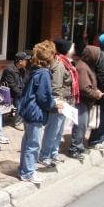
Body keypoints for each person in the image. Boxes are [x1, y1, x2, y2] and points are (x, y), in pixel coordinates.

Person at [17, 40, 62, 184]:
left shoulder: (35, 69)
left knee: (27, 141)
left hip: (27, 110)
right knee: (34, 144)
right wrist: (54, 104)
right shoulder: (44, 73)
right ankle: (28, 172)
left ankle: (23, 169)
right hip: (35, 112)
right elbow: (44, 97)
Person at [39, 39, 78, 167]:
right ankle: (45, 155)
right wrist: (58, 102)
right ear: (66, 50)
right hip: (60, 103)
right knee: (53, 131)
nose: (73, 49)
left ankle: (53, 153)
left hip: (65, 102)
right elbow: (56, 87)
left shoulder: (67, 63)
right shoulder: (60, 64)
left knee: (59, 131)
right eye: (71, 47)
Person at [67, 43, 103, 160]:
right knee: (80, 125)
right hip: (81, 101)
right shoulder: (82, 67)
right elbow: (83, 88)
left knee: (84, 125)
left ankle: (79, 146)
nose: (98, 57)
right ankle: (74, 148)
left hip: (86, 101)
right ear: (91, 55)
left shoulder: (87, 65)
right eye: (96, 55)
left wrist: (95, 89)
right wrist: (95, 94)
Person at [0, 51, 31, 131]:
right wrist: (23, 94)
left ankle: (22, 117)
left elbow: (26, 81)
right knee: (21, 99)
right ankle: (17, 122)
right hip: (9, 93)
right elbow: (12, 86)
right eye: (25, 60)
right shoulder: (9, 70)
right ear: (20, 61)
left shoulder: (22, 69)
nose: (27, 61)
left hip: (18, 91)